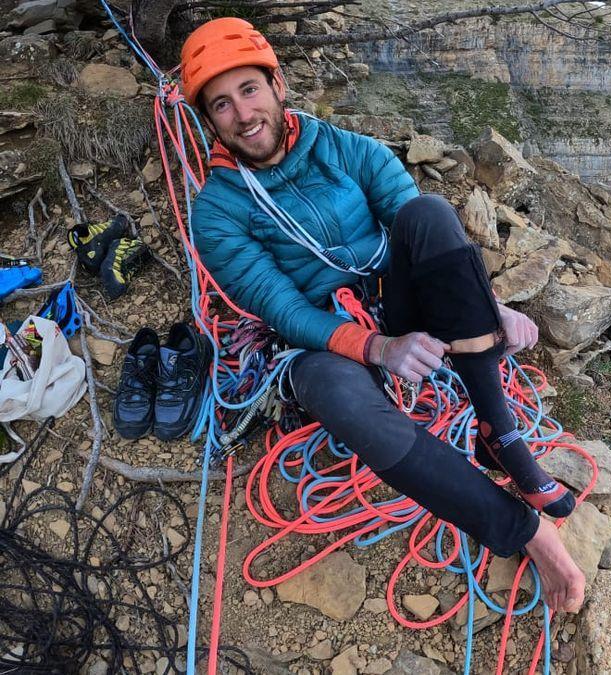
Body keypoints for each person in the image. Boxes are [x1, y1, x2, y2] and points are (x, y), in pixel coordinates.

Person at [179, 17, 585, 613]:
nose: (243, 114)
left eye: (249, 89)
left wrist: (488, 307)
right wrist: (378, 350)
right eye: (221, 104)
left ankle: (500, 432)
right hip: (316, 337)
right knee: (345, 402)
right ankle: (525, 533)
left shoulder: (345, 149)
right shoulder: (217, 211)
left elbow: (423, 235)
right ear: (209, 120)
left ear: (277, 85)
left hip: (391, 299)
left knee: (427, 212)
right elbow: (283, 308)